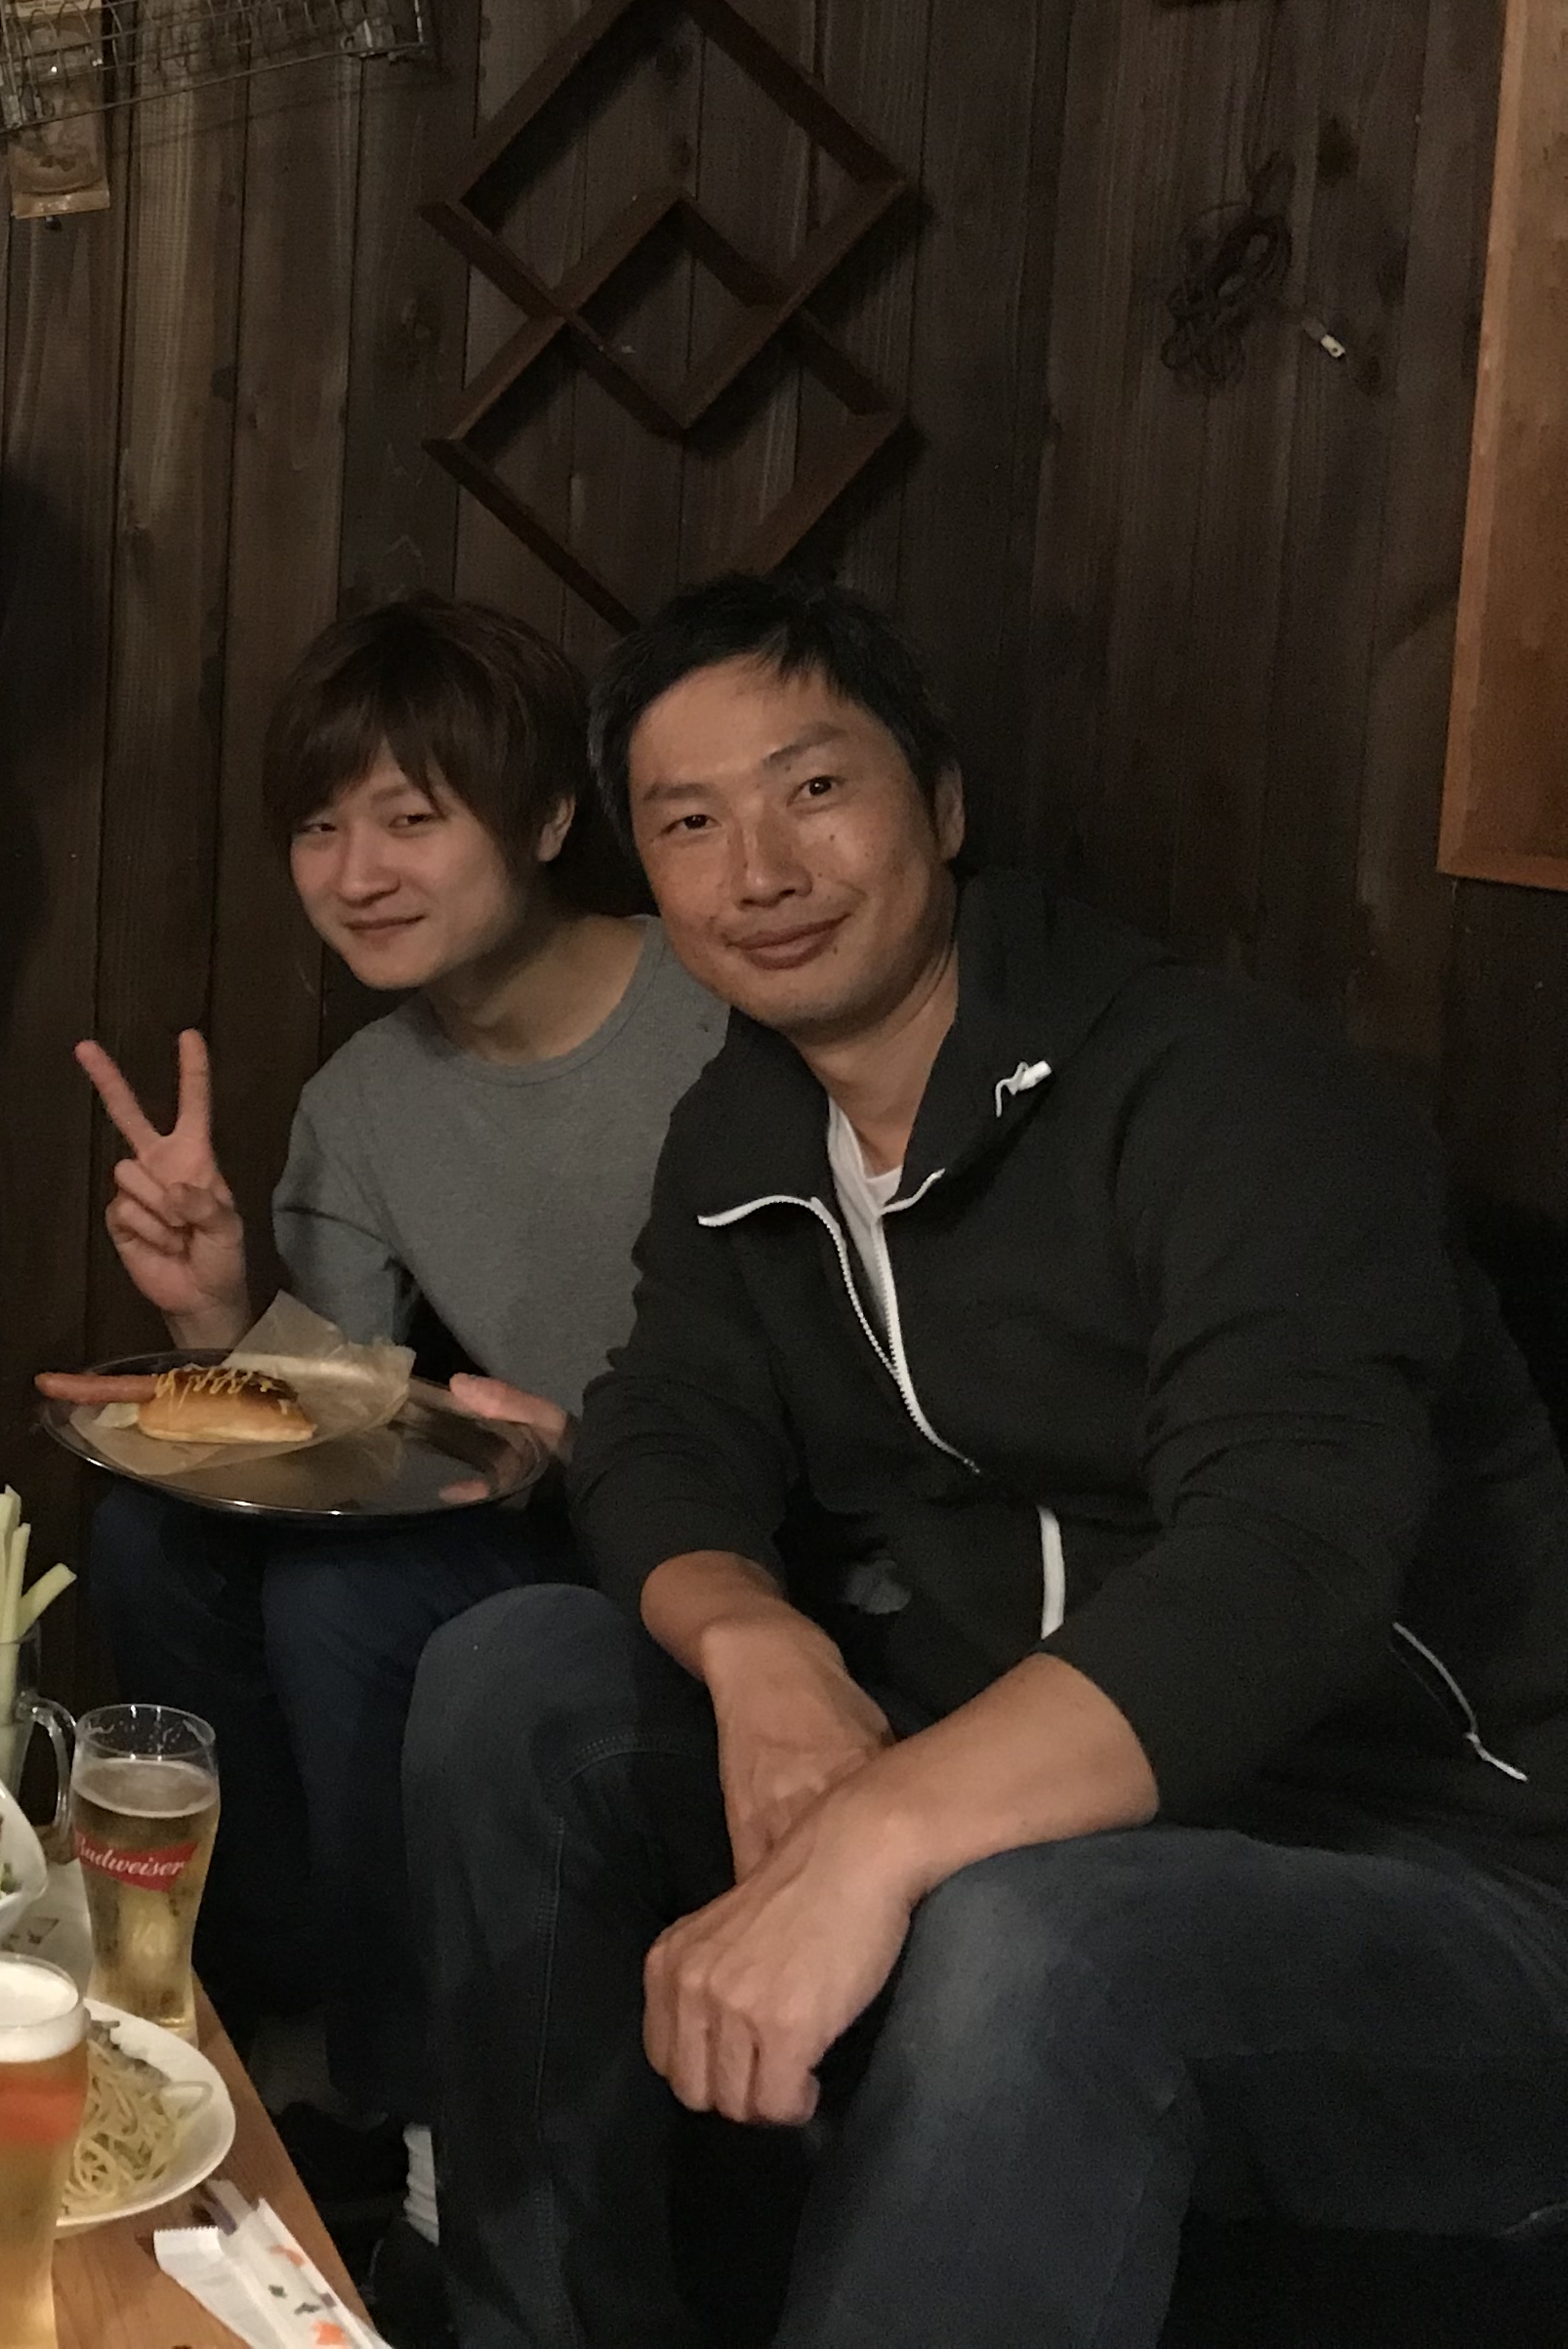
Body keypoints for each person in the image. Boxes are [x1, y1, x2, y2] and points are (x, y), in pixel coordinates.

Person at [410, 573, 1568, 2349]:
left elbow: (1284, 1561)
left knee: (1042, 1937)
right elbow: (664, 1423)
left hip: (1428, 1867)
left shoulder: (1226, 1091)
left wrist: (881, 1830)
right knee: (518, 1678)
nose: (759, 868)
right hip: (990, 1775)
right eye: (690, 822)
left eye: (814, 788)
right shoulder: (751, 1119)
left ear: (940, 803)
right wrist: (755, 1645)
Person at [62, 594, 725, 2281]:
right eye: (318, 825)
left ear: (550, 816)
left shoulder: (712, 1010)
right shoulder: (364, 1098)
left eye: (410, 817)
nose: (356, 871)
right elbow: (344, 1436)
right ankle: (272, 2019)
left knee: (345, 1604)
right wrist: (220, 1317)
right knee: (155, 1538)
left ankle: (425, 2108)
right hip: (532, 1507)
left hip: (714, 1531)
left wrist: (589, 1441)